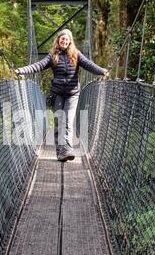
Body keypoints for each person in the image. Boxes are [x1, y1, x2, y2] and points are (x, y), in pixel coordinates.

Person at [15, 29, 109, 162]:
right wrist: (22, 70)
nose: (64, 41)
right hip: (57, 94)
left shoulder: (76, 55)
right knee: (59, 122)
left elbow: (89, 65)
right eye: (62, 39)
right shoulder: (52, 55)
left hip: (72, 94)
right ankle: (60, 152)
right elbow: (38, 66)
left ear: (70, 41)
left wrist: (102, 71)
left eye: (66, 39)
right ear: (58, 41)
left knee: (68, 122)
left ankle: (67, 150)